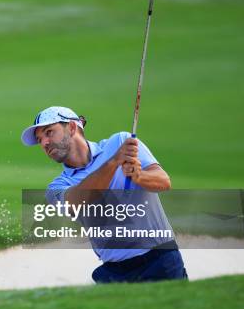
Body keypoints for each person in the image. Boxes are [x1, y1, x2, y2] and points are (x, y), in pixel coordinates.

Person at [21, 106, 188, 283]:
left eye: (49, 132)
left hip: (161, 260)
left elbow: (163, 182)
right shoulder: (57, 187)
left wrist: (140, 176)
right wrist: (113, 162)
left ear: (71, 127)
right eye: (40, 139)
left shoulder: (120, 141)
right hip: (114, 273)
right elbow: (75, 203)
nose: (45, 143)